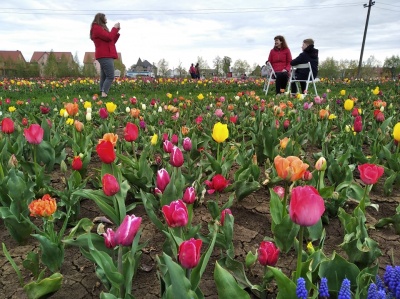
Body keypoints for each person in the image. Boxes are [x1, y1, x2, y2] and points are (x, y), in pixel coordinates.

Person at [90, 13, 120, 98]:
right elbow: (109, 37)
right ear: (101, 18)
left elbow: (111, 41)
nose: (106, 19)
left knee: (104, 76)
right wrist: (114, 28)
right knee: (110, 76)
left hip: (105, 54)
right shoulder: (96, 28)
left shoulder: (99, 28)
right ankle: (104, 93)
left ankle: (102, 92)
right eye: (105, 17)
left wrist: (116, 30)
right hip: (105, 55)